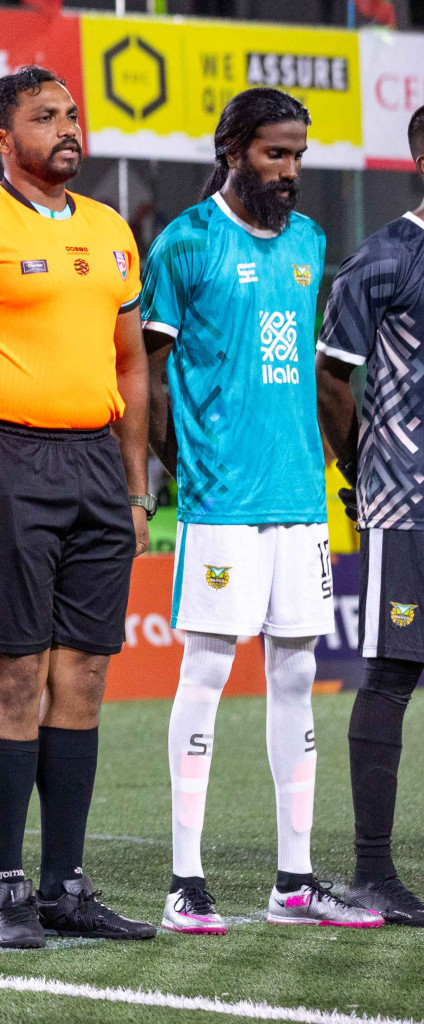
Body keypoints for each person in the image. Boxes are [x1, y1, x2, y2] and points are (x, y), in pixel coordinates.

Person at [0, 66, 156, 949]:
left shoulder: (111, 230)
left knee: (84, 678)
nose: (66, 127)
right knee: (16, 678)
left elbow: (132, 362)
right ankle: (8, 886)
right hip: (1, 462)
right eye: (44, 116)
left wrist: (133, 487)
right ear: (0, 138)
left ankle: (66, 885)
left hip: (95, 464)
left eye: (72, 114)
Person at [144, 88, 382, 934]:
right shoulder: (186, 243)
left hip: (299, 500)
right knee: (205, 672)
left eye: (299, 157)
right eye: (275, 154)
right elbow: (150, 377)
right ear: (234, 149)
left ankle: (294, 881)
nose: (289, 172)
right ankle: (186, 881)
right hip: (219, 502)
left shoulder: (312, 243)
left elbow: (314, 379)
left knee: (293, 677)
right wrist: (179, 473)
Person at [315, 103, 424, 926]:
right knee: (392, 674)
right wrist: (363, 465)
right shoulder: (385, 259)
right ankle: (372, 872)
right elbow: (331, 380)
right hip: (406, 501)